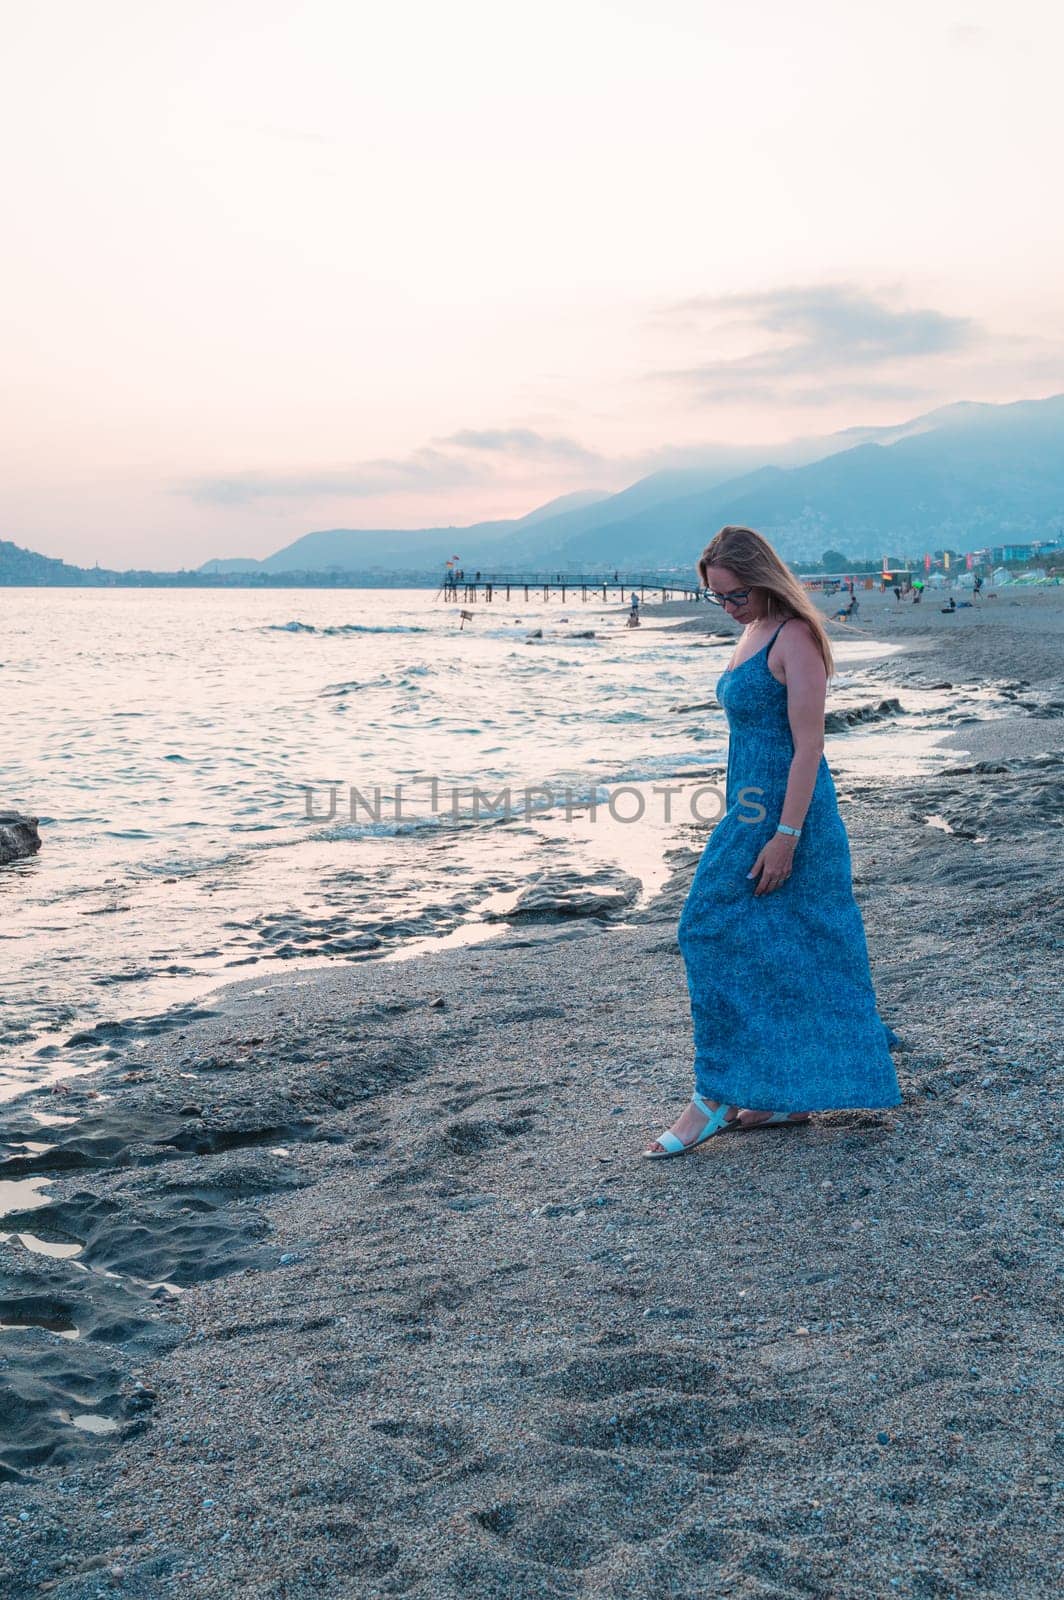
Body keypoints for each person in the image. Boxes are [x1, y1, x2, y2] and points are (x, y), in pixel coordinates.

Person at [643, 524, 901, 1157]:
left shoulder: (797, 637)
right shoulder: (753, 632)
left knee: (709, 929)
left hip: (791, 817)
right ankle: (777, 1096)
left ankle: (713, 1097)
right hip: (749, 809)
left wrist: (786, 836)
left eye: (734, 596)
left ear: (762, 581)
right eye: (716, 598)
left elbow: (810, 745)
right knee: (777, 948)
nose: (727, 608)